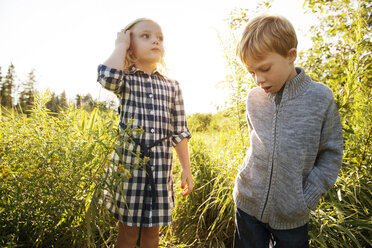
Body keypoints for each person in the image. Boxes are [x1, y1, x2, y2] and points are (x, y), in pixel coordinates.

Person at [233, 14, 343, 248]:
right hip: (248, 205)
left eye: (264, 68)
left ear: (291, 55)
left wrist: (307, 198)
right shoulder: (253, 98)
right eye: (251, 72)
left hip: (292, 214)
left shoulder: (320, 98)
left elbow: (331, 154)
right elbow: (255, 144)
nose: (258, 79)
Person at [97, 18, 193, 248]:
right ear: (130, 43)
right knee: (129, 234)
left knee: (152, 234)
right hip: (129, 167)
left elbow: (179, 130)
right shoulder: (125, 79)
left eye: (160, 38)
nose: (155, 41)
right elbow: (106, 77)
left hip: (160, 169)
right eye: (146, 36)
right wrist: (120, 45)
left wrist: (186, 168)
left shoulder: (172, 85)